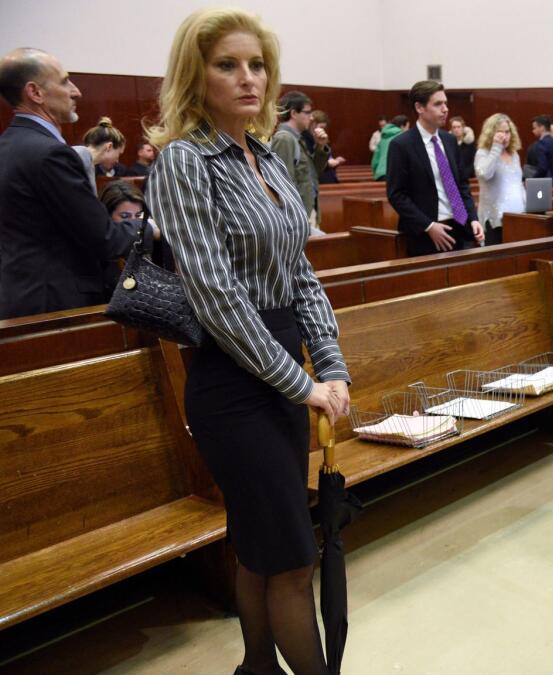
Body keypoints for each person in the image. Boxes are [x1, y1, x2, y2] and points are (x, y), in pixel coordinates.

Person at [146, 8, 350, 675]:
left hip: (284, 374)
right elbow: (217, 299)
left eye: (257, 64)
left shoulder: (262, 155)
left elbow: (300, 273)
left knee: (262, 548)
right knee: (293, 559)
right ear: (194, 75)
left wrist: (332, 364)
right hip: (233, 385)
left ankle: (256, 666)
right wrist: (304, 383)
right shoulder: (183, 162)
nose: (248, 78)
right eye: (227, 64)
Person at [0, 48, 148, 319]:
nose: (76, 91)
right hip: (57, 305)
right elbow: (104, 239)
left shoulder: (8, 146)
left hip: (20, 297)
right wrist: (149, 226)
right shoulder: (50, 154)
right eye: (65, 81)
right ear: (35, 93)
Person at [386, 79, 484, 257]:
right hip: (425, 234)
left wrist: (473, 218)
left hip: (458, 226)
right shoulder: (401, 145)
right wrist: (428, 226)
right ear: (420, 108)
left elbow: (462, 185)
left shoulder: (449, 140)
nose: (445, 109)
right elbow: (397, 194)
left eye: (445, 103)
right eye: (438, 104)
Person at [271, 90, 329, 235]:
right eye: (307, 112)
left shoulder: (297, 139)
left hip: (307, 211)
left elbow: (313, 173)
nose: (311, 118)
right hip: (297, 216)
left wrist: (320, 147)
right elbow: (283, 183)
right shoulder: (285, 139)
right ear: (293, 113)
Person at [473, 112, 524, 247]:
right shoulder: (483, 153)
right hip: (494, 220)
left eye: (507, 132)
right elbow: (484, 174)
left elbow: (518, 185)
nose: (504, 136)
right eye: (500, 132)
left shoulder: (514, 155)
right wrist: (496, 147)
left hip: (517, 217)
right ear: (491, 134)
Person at [73, 116, 126, 194]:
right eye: (119, 154)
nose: (117, 161)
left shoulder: (89, 162)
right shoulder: (77, 157)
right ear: (109, 147)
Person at [308, 110, 346, 184]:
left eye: (324, 128)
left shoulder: (322, 138)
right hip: (319, 181)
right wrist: (335, 162)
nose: (322, 130)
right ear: (313, 124)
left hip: (329, 178)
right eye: (321, 127)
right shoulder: (307, 140)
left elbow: (327, 157)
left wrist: (335, 160)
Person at [527, 114, 553, 186]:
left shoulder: (542, 144)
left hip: (546, 186)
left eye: (535, 128)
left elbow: (542, 168)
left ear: (542, 128)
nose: (533, 130)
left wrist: (532, 180)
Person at [371, 114, 408, 180]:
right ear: (402, 126)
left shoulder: (382, 139)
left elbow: (375, 160)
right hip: (395, 174)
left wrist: (376, 173)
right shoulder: (403, 137)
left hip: (381, 174)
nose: (408, 130)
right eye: (407, 127)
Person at [449, 115, 476, 180]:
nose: (456, 129)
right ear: (451, 129)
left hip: (469, 178)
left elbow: (474, 162)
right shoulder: (448, 144)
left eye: (458, 127)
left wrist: (465, 174)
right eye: (454, 127)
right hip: (453, 178)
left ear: (463, 128)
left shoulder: (470, 144)